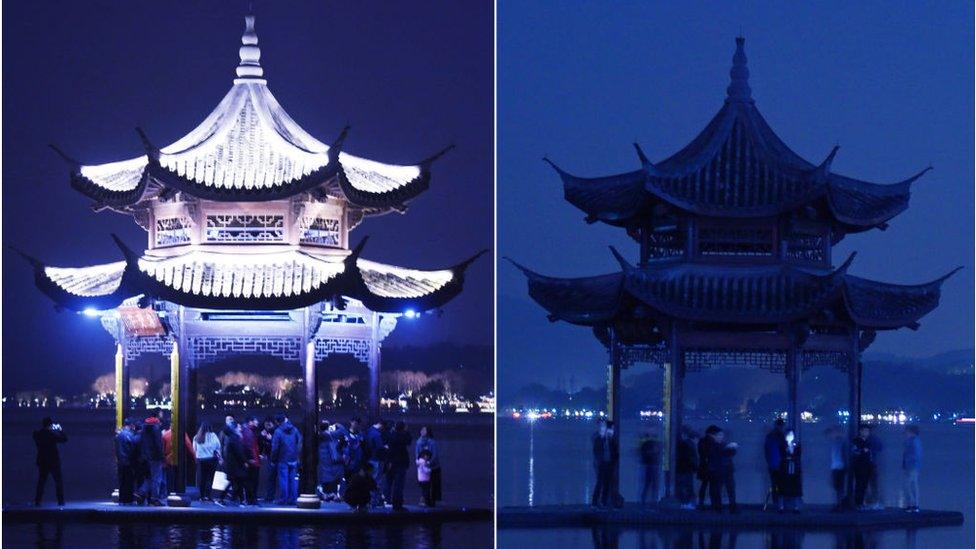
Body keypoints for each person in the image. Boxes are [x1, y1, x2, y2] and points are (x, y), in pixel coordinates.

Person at [32, 417, 67, 507]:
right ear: (50, 425)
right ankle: (61, 501)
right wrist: (60, 430)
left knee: (41, 482)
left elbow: (36, 435)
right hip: (53, 461)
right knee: (58, 482)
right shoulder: (51, 434)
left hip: (42, 461)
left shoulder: (38, 434)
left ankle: (38, 501)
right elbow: (64, 439)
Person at [271, 415, 302, 505]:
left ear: (277, 422)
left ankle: (283, 499)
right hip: (294, 458)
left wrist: (273, 459)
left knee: (283, 480)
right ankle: (293, 499)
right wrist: (297, 455)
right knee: (292, 480)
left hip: (282, 458)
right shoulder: (295, 429)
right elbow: (299, 442)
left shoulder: (278, 431)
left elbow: (275, 448)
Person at [706, 427, 738, 513]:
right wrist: (731, 448)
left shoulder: (721, 445)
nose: (721, 436)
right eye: (719, 435)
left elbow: (729, 453)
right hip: (720, 471)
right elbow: (725, 453)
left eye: (722, 435)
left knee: (729, 489)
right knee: (720, 489)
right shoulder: (714, 445)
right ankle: (719, 507)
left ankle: (730, 507)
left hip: (725, 470)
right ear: (715, 436)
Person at [161, 419, 195, 499]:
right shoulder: (182, 433)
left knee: (169, 477)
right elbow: (189, 445)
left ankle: (169, 493)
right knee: (179, 476)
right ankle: (178, 492)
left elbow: (162, 448)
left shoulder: (165, 435)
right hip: (180, 458)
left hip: (168, 459)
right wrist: (194, 456)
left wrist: (163, 459)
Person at [218, 422, 248, 507]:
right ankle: (240, 500)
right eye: (238, 427)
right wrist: (244, 461)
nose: (240, 429)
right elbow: (239, 452)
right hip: (236, 466)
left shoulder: (231, 438)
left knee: (236, 482)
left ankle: (240, 500)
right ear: (234, 429)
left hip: (233, 465)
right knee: (237, 482)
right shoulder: (235, 438)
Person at [137, 415, 165, 506]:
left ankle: (141, 492)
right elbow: (158, 445)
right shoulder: (156, 430)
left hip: (145, 458)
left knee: (149, 478)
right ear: (157, 422)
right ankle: (154, 498)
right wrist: (162, 456)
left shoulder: (143, 431)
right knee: (157, 478)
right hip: (155, 458)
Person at [590, 419, 618, 508]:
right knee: (600, 483)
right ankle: (595, 502)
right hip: (601, 464)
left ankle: (603, 502)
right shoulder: (599, 439)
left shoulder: (611, 440)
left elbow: (615, 452)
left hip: (609, 463)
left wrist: (614, 462)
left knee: (607, 483)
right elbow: (596, 450)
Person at [386, 421, 412, 511]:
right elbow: (409, 440)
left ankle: (392, 502)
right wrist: (406, 431)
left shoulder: (392, 435)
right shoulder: (403, 436)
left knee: (393, 484)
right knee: (399, 484)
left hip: (393, 463)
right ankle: (397, 504)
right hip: (401, 462)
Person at [192, 422, 221, 502]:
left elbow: (194, 449)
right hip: (211, 459)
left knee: (202, 479)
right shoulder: (213, 436)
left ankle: (201, 496)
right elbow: (218, 446)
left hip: (200, 460)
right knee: (210, 478)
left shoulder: (196, 437)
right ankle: (208, 496)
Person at [317, 421, 345, 502]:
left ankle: (326, 495)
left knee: (325, 479)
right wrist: (337, 424)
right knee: (332, 478)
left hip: (323, 461)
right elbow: (342, 431)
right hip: (330, 461)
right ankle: (332, 495)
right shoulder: (329, 435)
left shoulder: (320, 436)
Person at [115, 418, 139, 505]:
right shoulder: (129, 435)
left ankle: (122, 500)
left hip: (120, 461)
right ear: (131, 425)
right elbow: (132, 449)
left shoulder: (119, 435)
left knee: (122, 482)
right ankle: (128, 500)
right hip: (128, 461)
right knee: (129, 482)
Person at [415, 426, 441, 507]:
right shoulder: (418, 442)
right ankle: (426, 501)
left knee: (433, 485)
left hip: (433, 467)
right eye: (421, 429)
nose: (422, 431)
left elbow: (435, 455)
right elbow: (417, 454)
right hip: (423, 468)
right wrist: (419, 462)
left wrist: (429, 463)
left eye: (424, 430)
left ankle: (431, 501)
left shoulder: (432, 442)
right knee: (425, 486)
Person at [851, 425, 875, 509]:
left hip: (867, 465)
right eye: (865, 431)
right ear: (860, 431)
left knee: (864, 484)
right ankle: (858, 503)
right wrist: (862, 451)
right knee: (860, 484)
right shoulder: (857, 441)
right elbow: (855, 452)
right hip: (860, 466)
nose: (866, 433)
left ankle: (861, 502)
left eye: (867, 431)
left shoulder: (867, 441)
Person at [365, 419, 388, 506]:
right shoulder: (377, 435)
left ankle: (368, 500)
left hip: (368, 459)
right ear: (381, 425)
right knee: (375, 481)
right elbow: (379, 448)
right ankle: (374, 500)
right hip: (376, 459)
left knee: (369, 479)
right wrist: (385, 447)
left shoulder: (368, 431)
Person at [764, 419, 786, 509]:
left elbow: (766, 450)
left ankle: (775, 502)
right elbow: (784, 450)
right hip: (780, 464)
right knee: (781, 484)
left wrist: (769, 461)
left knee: (774, 483)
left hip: (772, 464)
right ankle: (780, 504)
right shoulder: (781, 436)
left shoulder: (769, 436)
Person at [778, 428, 802, 512]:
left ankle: (796, 507)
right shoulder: (782, 445)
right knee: (783, 487)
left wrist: (792, 455)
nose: (790, 436)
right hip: (785, 468)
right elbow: (782, 455)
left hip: (794, 468)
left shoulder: (796, 445)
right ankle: (781, 507)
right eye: (788, 435)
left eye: (791, 435)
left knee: (795, 487)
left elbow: (798, 455)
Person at [675, 427, 699, 509]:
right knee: (688, 487)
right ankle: (689, 503)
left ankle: (685, 503)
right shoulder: (690, 446)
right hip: (687, 470)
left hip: (682, 469)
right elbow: (692, 459)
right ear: (695, 438)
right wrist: (696, 467)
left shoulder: (683, 444)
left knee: (683, 486)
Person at [826, 426, 849, 510]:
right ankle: (839, 503)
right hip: (837, 466)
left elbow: (843, 454)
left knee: (838, 486)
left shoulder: (839, 442)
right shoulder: (837, 442)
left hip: (838, 467)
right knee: (838, 487)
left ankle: (839, 504)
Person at [697, 425, 719, 508]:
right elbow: (713, 454)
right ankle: (714, 504)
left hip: (704, 466)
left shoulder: (702, 441)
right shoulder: (712, 441)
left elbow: (701, 453)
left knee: (704, 485)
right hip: (711, 467)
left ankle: (701, 503)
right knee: (712, 487)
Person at [240, 416, 261, 505]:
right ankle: (252, 500)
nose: (257, 422)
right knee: (252, 481)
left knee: (249, 481)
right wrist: (250, 459)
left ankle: (250, 500)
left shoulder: (246, 430)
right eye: (256, 421)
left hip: (252, 459)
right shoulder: (248, 431)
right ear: (250, 422)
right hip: (253, 461)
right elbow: (248, 447)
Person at [638, 430, 662, 506]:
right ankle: (653, 501)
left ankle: (645, 500)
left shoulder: (646, 444)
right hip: (652, 465)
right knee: (653, 484)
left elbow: (643, 453)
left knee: (648, 484)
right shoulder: (653, 444)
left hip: (648, 465)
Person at [902, 425, 922, 512]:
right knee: (913, 485)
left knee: (909, 485)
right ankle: (914, 505)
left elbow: (915, 454)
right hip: (911, 466)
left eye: (907, 431)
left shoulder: (913, 441)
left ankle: (912, 504)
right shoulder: (912, 441)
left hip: (912, 466)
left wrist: (909, 464)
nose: (905, 433)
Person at [258, 416, 277, 503]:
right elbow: (261, 445)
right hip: (269, 457)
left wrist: (271, 440)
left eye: (269, 425)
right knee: (270, 478)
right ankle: (270, 496)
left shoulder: (276, 433)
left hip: (275, 458)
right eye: (266, 424)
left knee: (273, 478)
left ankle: (272, 496)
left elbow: (276, 446)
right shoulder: (263, 433)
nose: (267, 426)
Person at [865, 426, 884, 509]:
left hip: (868, 464)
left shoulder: (867, 439)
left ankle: (869, 501)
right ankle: (874, 502)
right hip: (872, 464)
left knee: (867, 483)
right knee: (873, 484)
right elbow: (880, 448)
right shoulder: (875, 439)